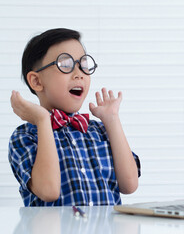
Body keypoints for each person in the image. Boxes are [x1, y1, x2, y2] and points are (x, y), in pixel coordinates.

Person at [8, 28, 141, 206]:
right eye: (65, 65)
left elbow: (130, 184)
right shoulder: (25, 136)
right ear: (37, 81)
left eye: (83, 64)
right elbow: (49, 191)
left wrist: (112, 120)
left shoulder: (100, 130)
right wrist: (42, 120)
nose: (79, 73)